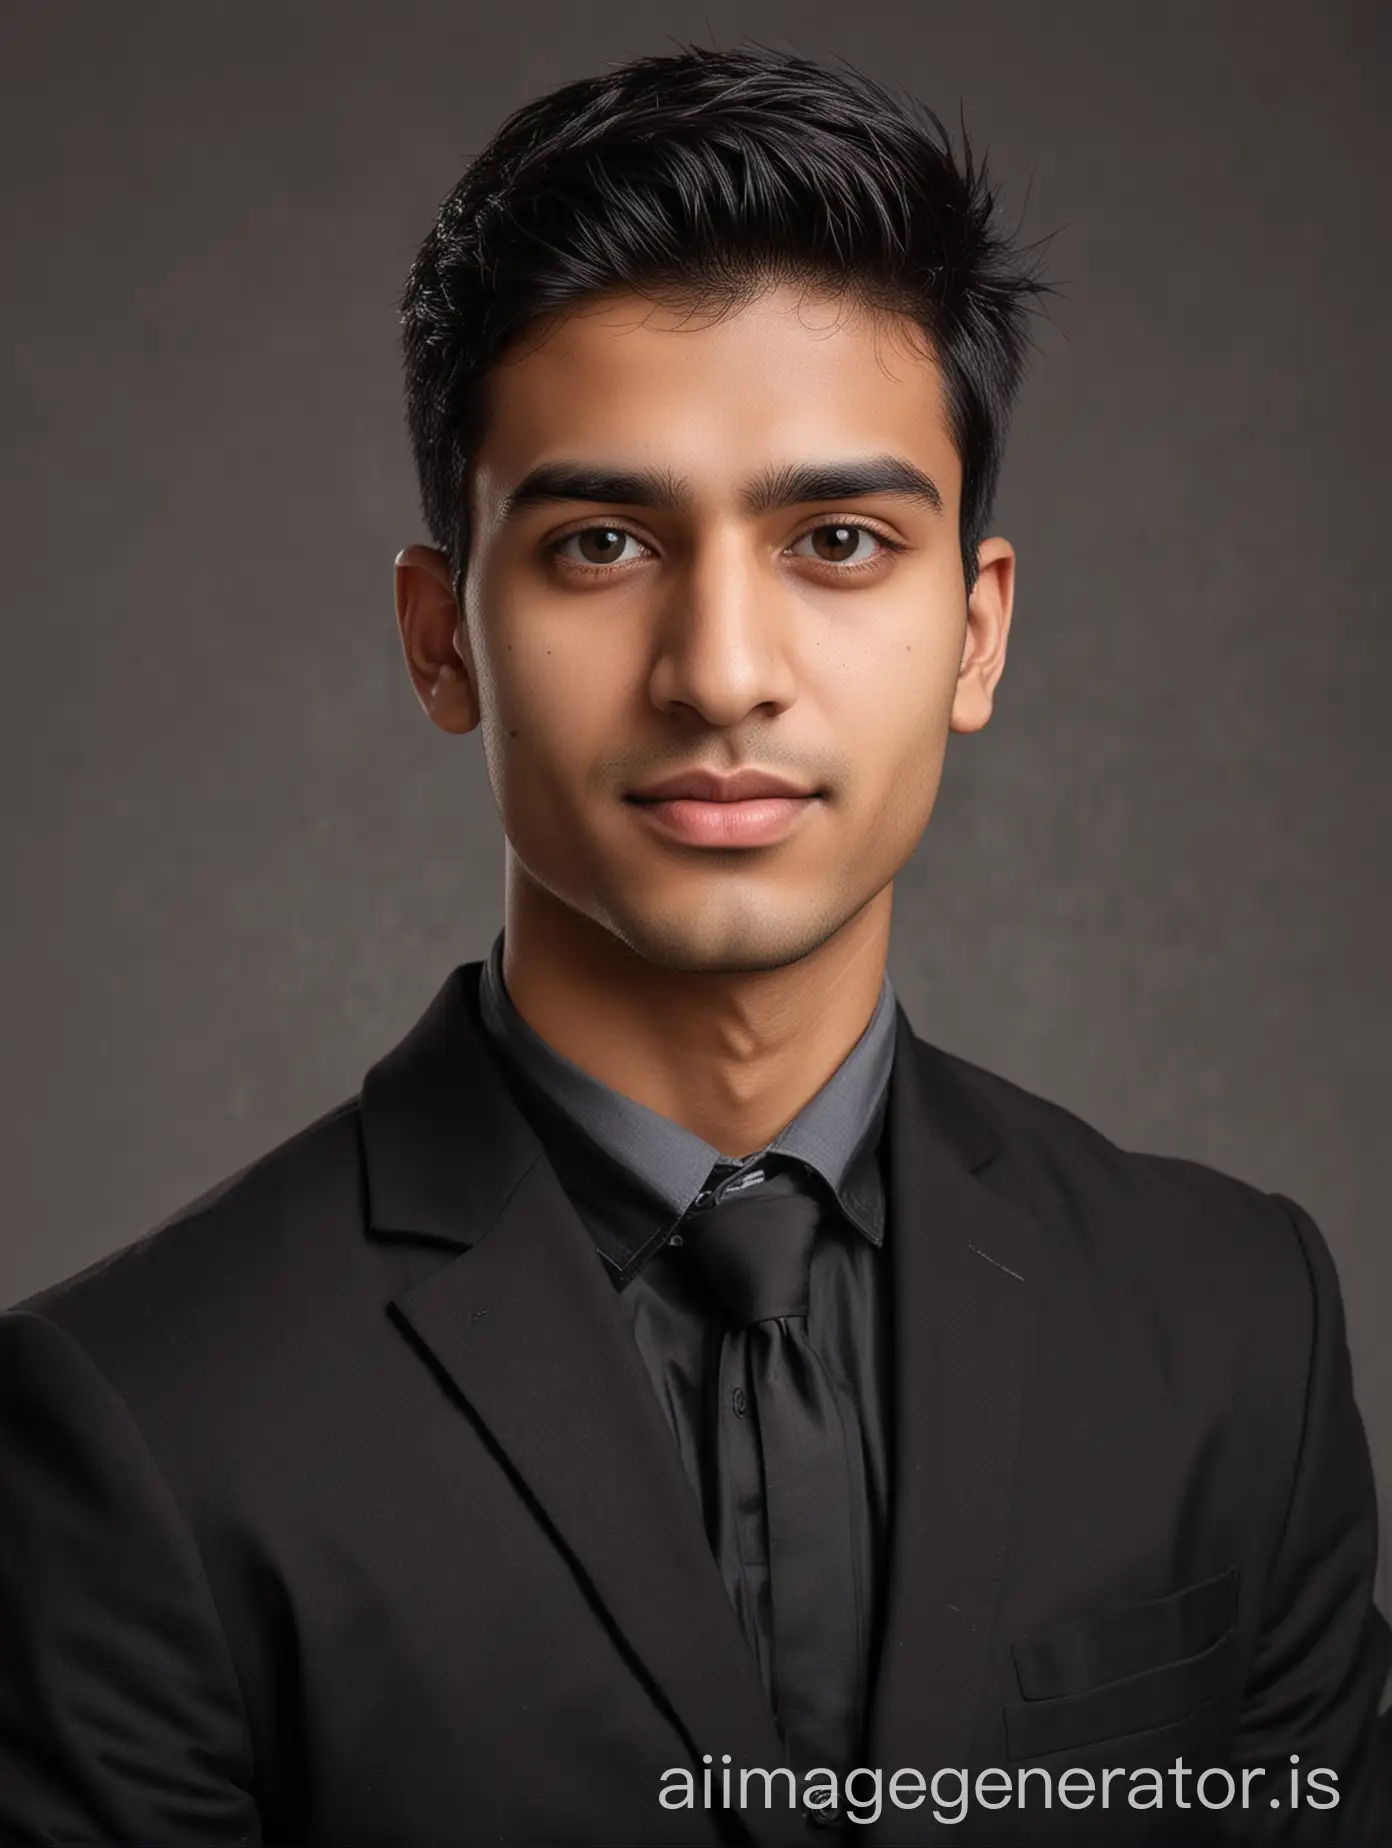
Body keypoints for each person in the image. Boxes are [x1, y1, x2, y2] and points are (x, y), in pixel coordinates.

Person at [0, 42, 1387, 1848]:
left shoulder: (1232, 1330)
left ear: (976, 634)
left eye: (836, 538)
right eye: (598, 543)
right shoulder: (138, 1432)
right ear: (442, 640)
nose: (722, 668)